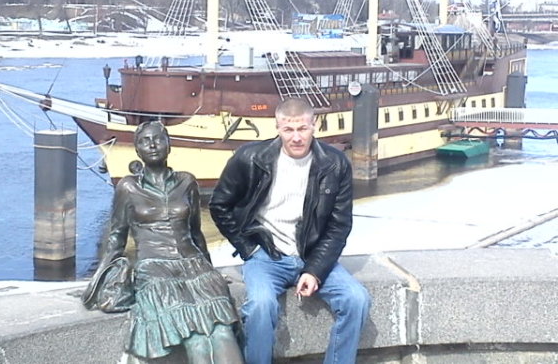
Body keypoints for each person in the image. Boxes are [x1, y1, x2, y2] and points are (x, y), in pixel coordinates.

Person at [209, 97, 371, 364]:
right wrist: (248, 248)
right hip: (266, 255)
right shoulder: (250, 158)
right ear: (278, 128)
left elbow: (339, 225)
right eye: (288, 130)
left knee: (356, 299)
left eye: (302, 129)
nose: (296, 137)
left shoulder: (335, 163)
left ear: (314, 126)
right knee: (260, 306)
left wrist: (315, 270)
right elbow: (219, 205)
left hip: (311, 253)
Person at [83, 121, 243, 364]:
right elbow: (116, 237)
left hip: (194, 266)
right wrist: (99, 278)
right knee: (195, 336)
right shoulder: (128, 187)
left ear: (169, 145)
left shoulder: (187, 182)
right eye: (144, 141)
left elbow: (195, 232)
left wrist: (211, 270)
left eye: (158, 139)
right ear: (137, 150)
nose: (152, 145)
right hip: (155, 269)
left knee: (222, 331)